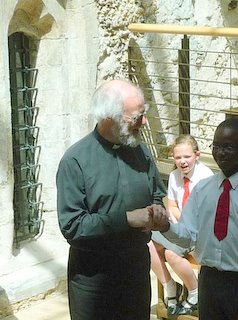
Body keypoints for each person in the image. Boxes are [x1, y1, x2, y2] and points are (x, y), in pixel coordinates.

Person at [56, 79, 167, 320]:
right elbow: (72, 226)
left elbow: (156, 193)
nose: (144, 122)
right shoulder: (76, 161)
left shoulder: (141, 152)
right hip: (94, 280)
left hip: (135, 271)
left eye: (144, 114)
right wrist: (127, 219)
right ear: (109, 117)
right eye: (136, 117)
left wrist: (158, 211)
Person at [154, 117, 238, 320]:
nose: (220, 153)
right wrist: (165, 226)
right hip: (209, 279)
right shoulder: (203, 189)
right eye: (216, 146)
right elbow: (188, 236)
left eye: (228, 147)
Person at [149, 134, 213, 316]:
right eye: (178, 157)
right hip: (180, 227)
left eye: (187, 157)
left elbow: (207, 213)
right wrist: (178, 225)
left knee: (170, 253)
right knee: (146, 239)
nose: (182, 162)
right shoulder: (175, 176)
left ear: (197, 155)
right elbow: (173, 205)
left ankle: (195, 292)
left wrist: (185, 226)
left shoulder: (206, 177)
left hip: (200, 232)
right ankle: (169, 285)